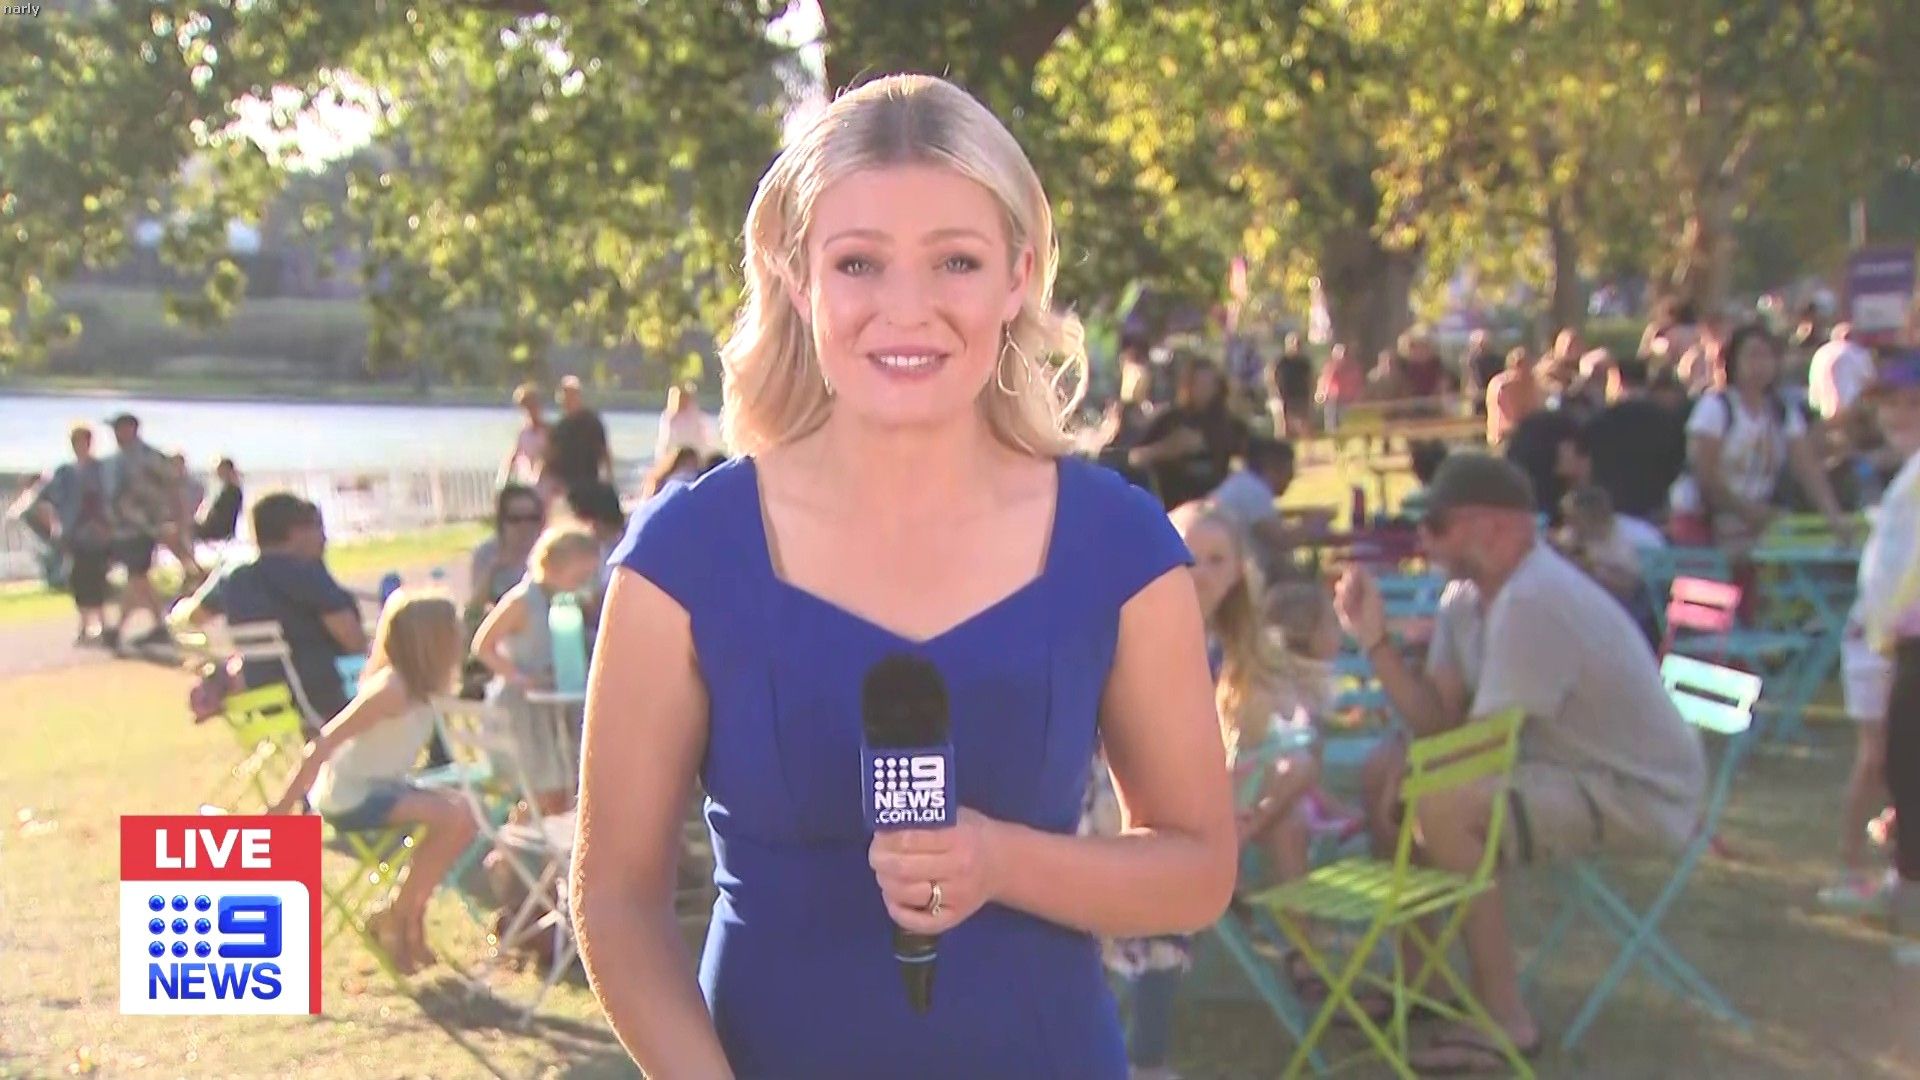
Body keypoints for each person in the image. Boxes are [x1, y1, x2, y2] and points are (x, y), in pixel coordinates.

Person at [572, 74, 1235, 1078]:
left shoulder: (1120, 546)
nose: (907, 310)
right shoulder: (686, 558)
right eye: (860, 263)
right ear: (800, 279)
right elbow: (616, 898)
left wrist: (1000, 861)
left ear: (1017, 276)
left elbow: (1198, 869)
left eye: (955, 261)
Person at [1335, 453, 1706, 1067]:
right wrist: (1373, 639)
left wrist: (1415, 773)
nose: (1422, 537)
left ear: (1496, 526)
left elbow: (1483, 745)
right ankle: (1423, 980)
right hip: (1560, 769)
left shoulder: (1535, 599)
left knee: (1444, 804)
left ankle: (1503, 1017)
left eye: (1438, 524)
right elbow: (1437, 720)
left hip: (1634, 791)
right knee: (1385, 769)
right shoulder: (1464, 600)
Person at [1083, 501, 1270, 1078]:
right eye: (1187, 553)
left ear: (1238, 572)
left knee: (1171, 880)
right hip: (1105, 790)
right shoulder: (1123, 624)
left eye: (1217, 560)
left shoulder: (1238, 654)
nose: (1200, 571)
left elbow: (1258, 739)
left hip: (1189, 809)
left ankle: (1147, 1058)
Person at [266, 590, 476, 975]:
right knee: (448, 816)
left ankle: (406, 914)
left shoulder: (425, 689)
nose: (460, 639)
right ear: (430, 642)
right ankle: (398, 919)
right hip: (351, 794)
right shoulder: (390, 690)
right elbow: (322, 744)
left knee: (467, 813)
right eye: (453, 632)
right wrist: (281, 809)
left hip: (385, 786)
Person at [1833, 352, 1920, 945]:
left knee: (1904, 767)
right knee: (1899, 767)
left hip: (1908, 641)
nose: (1898, 416)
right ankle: (1903, 881)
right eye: (1890, 405)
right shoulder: (1905, 474)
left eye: (1912, 404)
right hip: (1898, 644)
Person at [172, 494, 369, 727]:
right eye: (316, 528)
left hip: (263, 694)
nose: (323, 538)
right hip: (323, 696)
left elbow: (194, 616)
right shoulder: (307, 576)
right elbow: (353, 640)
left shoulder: (234, 578)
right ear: (296, 532)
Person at [1667, 324, 1851, 556]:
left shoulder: (1781, 412)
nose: (1760, 365)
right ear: (1733, 361)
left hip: (1755, 524)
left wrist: (1833, 516)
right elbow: (1705, 475)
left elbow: (1807, 469)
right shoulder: (1716, 406)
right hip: (1703, 521)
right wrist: (1746, 511)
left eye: (1767, 356)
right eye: (1752, 356)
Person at [471, 526, 604, 814]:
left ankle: (521, 836)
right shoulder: (522, 600)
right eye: (580, 577)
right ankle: (510, 838)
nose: (585, 584)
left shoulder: (564, 602)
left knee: (567, 793)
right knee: (546, 794)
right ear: (553, 568)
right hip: (522, 708)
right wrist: (518, 676)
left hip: (553, 706)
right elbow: (482, 645)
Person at [29, 424, 115, 644]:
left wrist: (109, 525)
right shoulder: (64, 472)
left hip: (98, 534)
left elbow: (113, 497)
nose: (80, 446)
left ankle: (102, 625)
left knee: (98, 579)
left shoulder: (102, 469)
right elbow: (41, 500)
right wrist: (54, 525)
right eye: (76, 442)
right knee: (78, 580)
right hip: (74, 534)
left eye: (83, 441)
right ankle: (84, 626)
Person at [1130, 354, 1248, 510]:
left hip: (1217, 509)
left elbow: (1249, 461)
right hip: (1174, 506)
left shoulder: (1230, 425)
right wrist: (1168, 448)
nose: (1203, 389)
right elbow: (1135, 458)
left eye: (1208, 384)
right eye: (1197, 383)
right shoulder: (1170, 420)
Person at [104, 412, 178, 648]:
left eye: (119, 429)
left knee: (137, 577)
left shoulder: (146, 457)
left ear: (131, 430)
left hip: (141, 527)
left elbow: (171, 484)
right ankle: (153, 626)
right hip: (126, 528)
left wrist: (165, 518)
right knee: (138, 578)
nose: (115, 435)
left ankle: (126, 628)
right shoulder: (123, 458)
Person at [1207, 436, 1309, 580]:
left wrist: (1300, 514)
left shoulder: (1243, 484)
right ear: (1273, 468)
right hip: (1234, 578)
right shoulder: (1253, 491)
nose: (1291, 477)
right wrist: (1314, 524)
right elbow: (1281, 540)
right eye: (1289, 471)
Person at [546, 375, 614, 505]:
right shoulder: (559, 428)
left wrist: (609, 479)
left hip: (589, 481)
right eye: (564, 396)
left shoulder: (592, 422)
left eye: (571, 395)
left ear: (578, 397)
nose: (567, 400)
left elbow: (604, 451)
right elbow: (551, 458)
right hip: (565, 485)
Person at [1485, 346, 1541, 447]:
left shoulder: (1497, 381)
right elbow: (1513, 419)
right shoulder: (1508, 384)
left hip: (1501, 437)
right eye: (1529, 364)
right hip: (1508, 439)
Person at [501, 381, 550, 493]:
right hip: (527, 482)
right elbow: (514, 456)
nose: (530, 411)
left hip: (545, 483)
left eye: (533, 406)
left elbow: (549, 457)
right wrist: (503, 480)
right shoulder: (523, 432)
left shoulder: (548, 431)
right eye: (526, 408)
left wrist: (537, 473)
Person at [655, 383, 721, 464]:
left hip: (696, 456)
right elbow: (666, 441)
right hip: (676, 456)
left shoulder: (697, 416)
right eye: (680, 398)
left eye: (685, 398)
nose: (683, 401)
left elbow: (705, 439)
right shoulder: (669, 417)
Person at [195, 458, 244, 544]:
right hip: (216, 529)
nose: (217, 473)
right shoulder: (224, 489)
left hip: (219, 532)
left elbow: (222, 517)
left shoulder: (232, 491)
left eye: (220, 470)